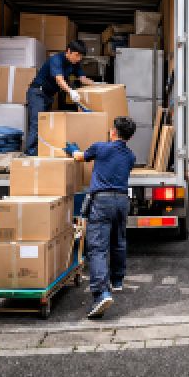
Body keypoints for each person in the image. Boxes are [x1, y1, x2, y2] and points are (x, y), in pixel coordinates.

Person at [65, 117, 137, 319]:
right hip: (122, 201)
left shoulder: (100, 148)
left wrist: (71, 150)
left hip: (102, 202)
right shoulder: (131, 156)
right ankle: (117, 280)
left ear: (113, 131)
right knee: (119, 241)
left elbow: (79, 157)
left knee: (97, 248)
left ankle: (100, 294)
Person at [25, 40, 94, 155]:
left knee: (45, 124)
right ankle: (29, 153)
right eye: (77, 55)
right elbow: (59, 79)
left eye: (81, 56)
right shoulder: (56, 60)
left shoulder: (74, 63)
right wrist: (70, 91)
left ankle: (41, 151)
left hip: (48, 95)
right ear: (68, 51)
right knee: (37, 123)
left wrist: (98, 85)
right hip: (37, 93)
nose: (79, 59)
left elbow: (82, 78)